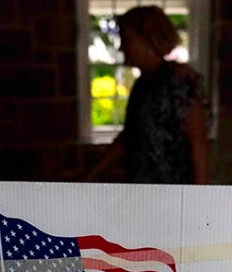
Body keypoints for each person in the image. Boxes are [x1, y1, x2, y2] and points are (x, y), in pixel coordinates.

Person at [86, 5, 210, 184]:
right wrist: (94, 172)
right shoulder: (143, 85)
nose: (122, 47)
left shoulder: (180, 84)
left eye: (127, 39)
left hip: (173, 194)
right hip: (142, 191)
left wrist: (200, 201)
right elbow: (131, 135)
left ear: (149, 39)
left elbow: (198, 145)